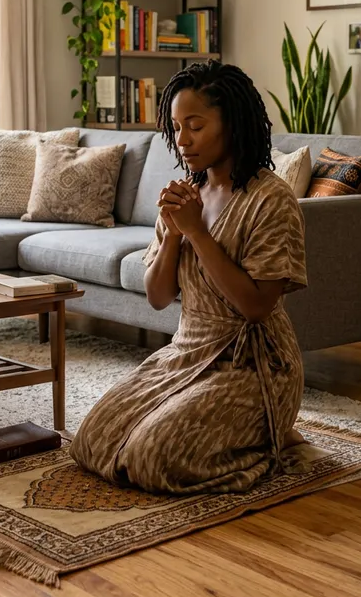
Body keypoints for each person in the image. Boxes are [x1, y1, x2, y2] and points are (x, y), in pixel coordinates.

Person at [70, 60, 309, 495]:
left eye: (195, 126)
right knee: (91, 440)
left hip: (252, 365)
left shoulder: (272, 200)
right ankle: (226, 431)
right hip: (187, 349)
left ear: (233, 125)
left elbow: (257, 307)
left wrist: (198, 232)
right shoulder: (184, 197)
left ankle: (267, 439)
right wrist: (174, 234)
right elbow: (158, 296)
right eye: (176, 127)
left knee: (149, 456)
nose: (182, 141)